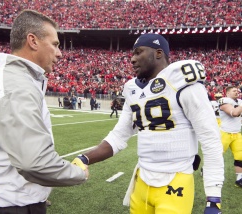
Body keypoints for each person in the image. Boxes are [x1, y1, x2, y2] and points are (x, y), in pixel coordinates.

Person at [72, 34, 224, 214]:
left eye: (138, 52)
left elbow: (210, 139)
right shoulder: (132, 89)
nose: (133, 59)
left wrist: (214, 198)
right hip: (142, 180)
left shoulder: (183, 82)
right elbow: (118, 136)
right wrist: (85, 158)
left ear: (158, 53)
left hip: (175, 181)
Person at [0, 10, 88, 214]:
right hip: (13, 204)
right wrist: (78, 174)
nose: (59, 53)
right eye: (55, 44)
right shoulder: (16, 86)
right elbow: (34, 162)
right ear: (33, 41)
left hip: (0, 198)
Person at [218, 86, 242, 188]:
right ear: (227, 93)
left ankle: (239, 179)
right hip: (224, 133)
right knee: (217, 155)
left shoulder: (239, 101)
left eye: (237, 90)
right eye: (234, 91)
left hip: (237, 133)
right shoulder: (224, 100)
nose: (236, 92)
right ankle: (208, 171)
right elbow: (235, 113)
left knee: (240, 156)